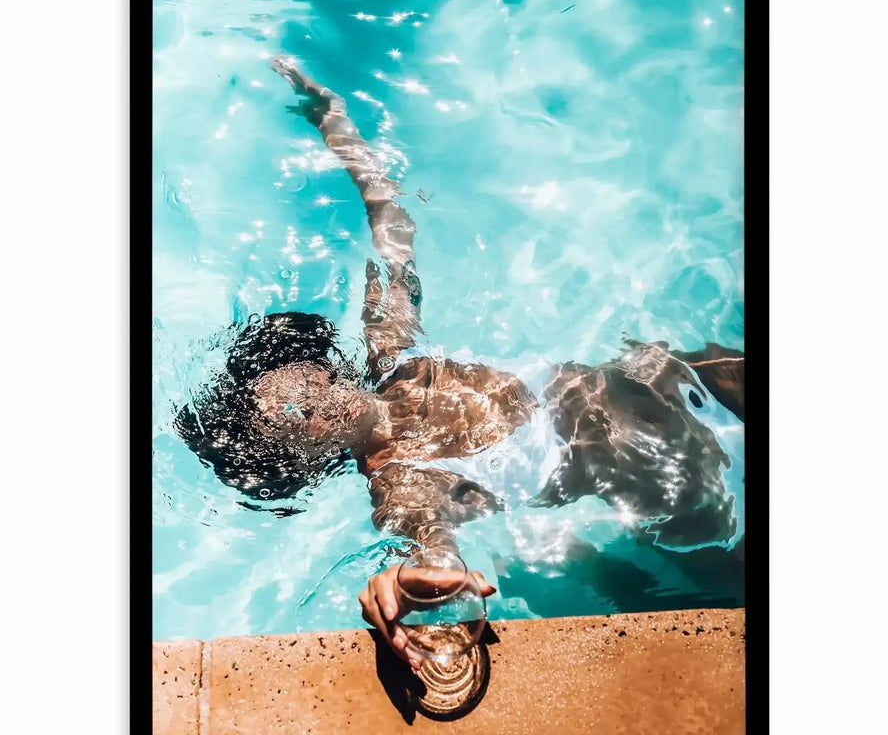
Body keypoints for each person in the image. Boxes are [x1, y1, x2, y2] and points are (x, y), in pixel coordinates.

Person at [176, 58, 745, 667]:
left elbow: (392, 226)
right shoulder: (400, 484)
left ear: (314, 367)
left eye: (293, 389)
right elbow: (434, 554)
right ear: (304, 461)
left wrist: (336, 126)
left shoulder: (394, 352)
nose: (307, 406)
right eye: (290, 424)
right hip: (663, 481)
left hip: (655, 381)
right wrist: (414, 584)